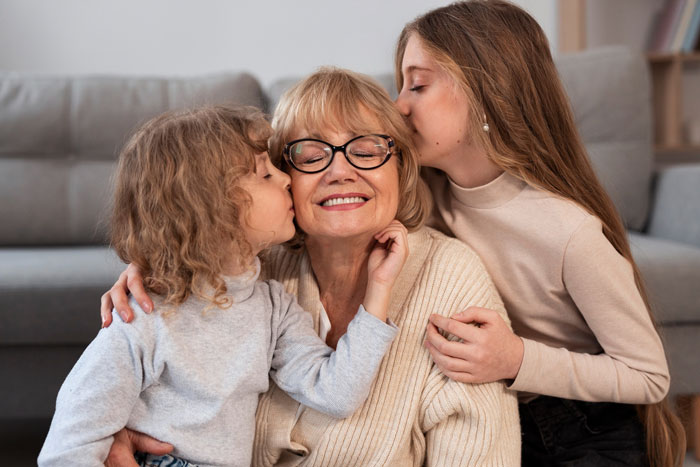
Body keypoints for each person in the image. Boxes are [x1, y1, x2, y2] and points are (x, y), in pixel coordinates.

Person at [100, 69, 521, 466]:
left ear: (401, 167)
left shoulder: (450, 275)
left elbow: (479, 449)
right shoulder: (249, 268)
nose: (340, 171)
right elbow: (141, 365)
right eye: (310, 154)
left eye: (367, 149)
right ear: (284, 179)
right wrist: (114, 430)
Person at [394, 1, 685, 466]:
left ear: (486, 91)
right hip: (489, 419)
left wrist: (517, 360)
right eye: (401, 84)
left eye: (419, 84)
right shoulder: (421, 203)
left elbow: (648, 376)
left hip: (584, 428)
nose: (399, 104)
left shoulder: (568, 231)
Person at [38, 105, 408, 467]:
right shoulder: (144, 318)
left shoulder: (272, 306)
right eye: (265, 175)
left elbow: (335, 393)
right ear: (212, 209)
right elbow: (68, 448)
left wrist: (378, 290)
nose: (285, 179)